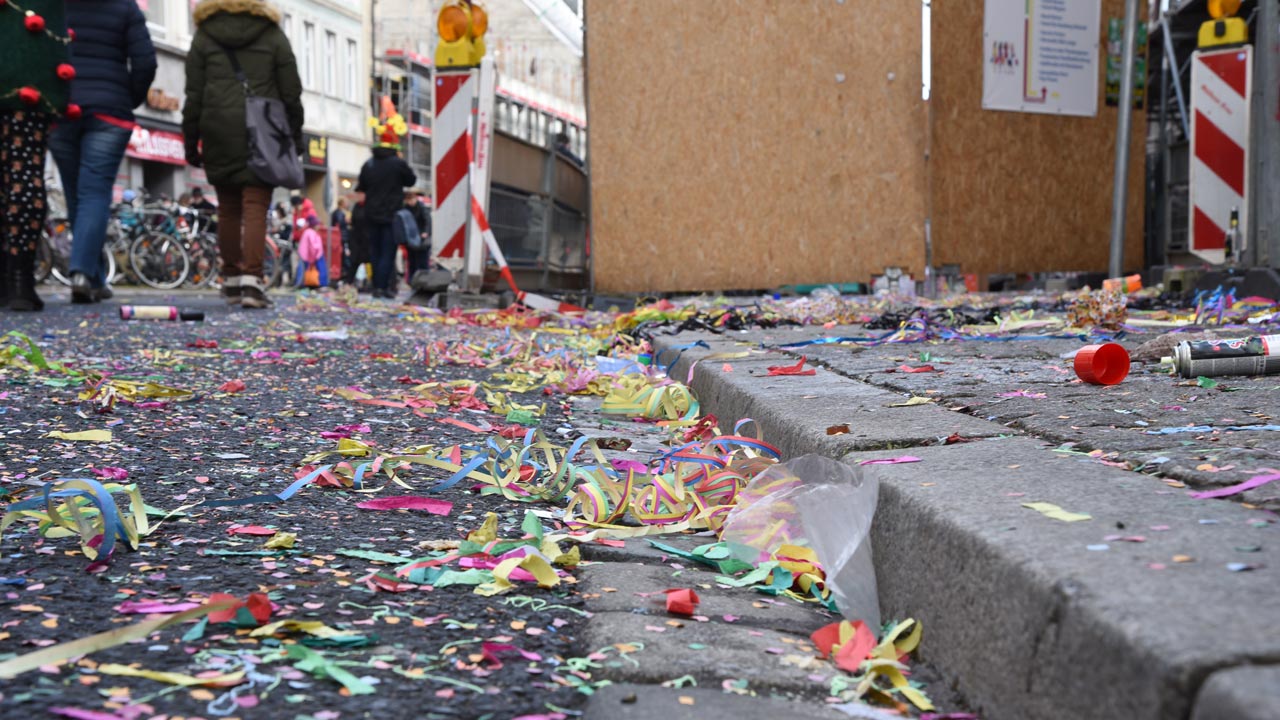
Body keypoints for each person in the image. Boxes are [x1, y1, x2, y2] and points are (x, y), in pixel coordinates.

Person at [184, 0, 303, 309]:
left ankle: (232, 280)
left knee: (227, 208)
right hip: (262, 129)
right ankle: (252, 281)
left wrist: (190, 138)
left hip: (218, 127)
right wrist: (293, 136)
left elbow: (194, 93)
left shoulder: (204, 35)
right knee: (255, 204)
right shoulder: (272, 34)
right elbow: (291, 90)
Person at [50, 0, 157, 304]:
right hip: (109, 111)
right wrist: (127, 97)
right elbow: (145, 62)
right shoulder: (124, 7)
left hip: (62, 106)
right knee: (94, 193)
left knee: (75, 194)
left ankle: (93, 277)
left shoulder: (56, 6)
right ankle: (84, 272)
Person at [1, 0, 72, 312]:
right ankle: (19, 278)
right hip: (32, 56)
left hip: (28, 50)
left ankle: (14, 278)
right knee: (25, 172)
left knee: (22, 174)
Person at [356, 108, 415, 300]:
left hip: (371, 214)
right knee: (388, 253)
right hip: (391, 214)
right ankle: (383, 286)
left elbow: (361, 186)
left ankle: (377, 286)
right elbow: (411, 180)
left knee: (375, 251)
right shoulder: (397, 164)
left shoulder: (369, 164)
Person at [293, 215, 328, 289]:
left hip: (304, 254)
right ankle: (322, 283)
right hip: (313, 254)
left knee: (301, 269)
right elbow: (313, 246)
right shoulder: (311, 232)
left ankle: (299, 283)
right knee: (321, 269)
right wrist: (314, 257)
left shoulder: (307, 232)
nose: (319, 226)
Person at [404, 189, 431, 281]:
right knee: (412, 261)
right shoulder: (406, 208)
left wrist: (426, 232)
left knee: (422, 261)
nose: (410, 202)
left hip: (421, 238)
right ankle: (413, 280)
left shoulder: (421, 207)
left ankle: (424, 280)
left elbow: (427, 220)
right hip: (412, 238)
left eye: (411, 199)